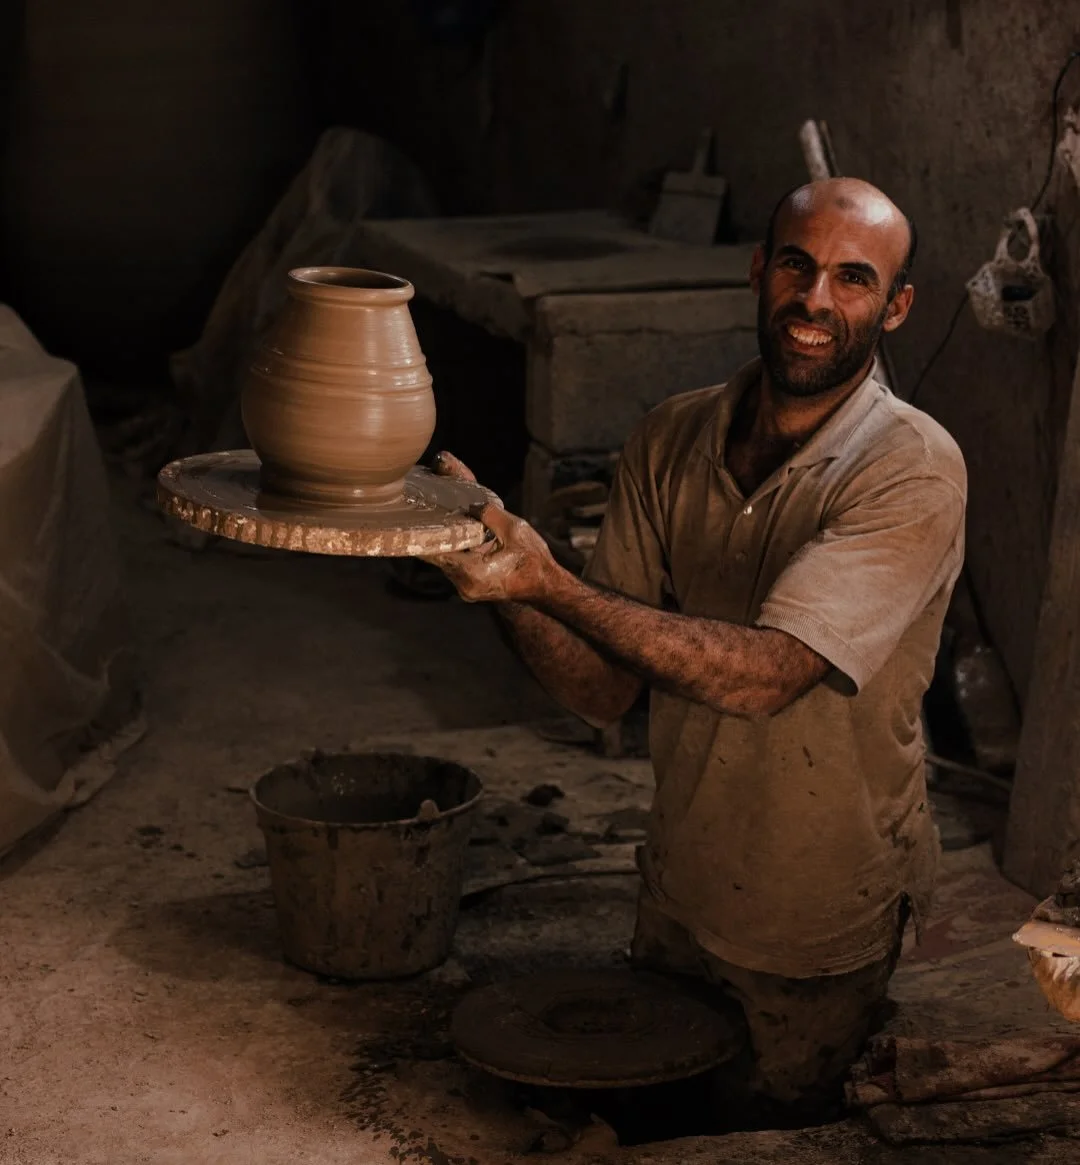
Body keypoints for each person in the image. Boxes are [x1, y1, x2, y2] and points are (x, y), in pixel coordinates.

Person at [426, 178, 967, 1123]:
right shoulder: (672, 435)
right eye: (797, 265)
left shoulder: (910, 466)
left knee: (774, 1125)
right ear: (760, 269)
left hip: (815, 907)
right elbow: (598, 688)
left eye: (853, 279)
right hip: (679, 884)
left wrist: (549, 579)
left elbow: (768, 677)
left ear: (896, 306)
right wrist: (493, 573)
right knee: (656, 1114)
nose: (815, 302)